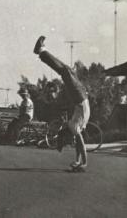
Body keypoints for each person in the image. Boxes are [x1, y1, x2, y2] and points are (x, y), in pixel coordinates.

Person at [34, 36, 90, 171]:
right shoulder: (73, 127)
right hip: (80, 97)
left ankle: (42, 52)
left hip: (81, 97)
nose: (68, 142)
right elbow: (81, 144)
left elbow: (78, 143)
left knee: (67, 70)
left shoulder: (73, 127)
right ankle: (41, 51)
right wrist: (84, 162)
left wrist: (77, 161)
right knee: (65, 71)